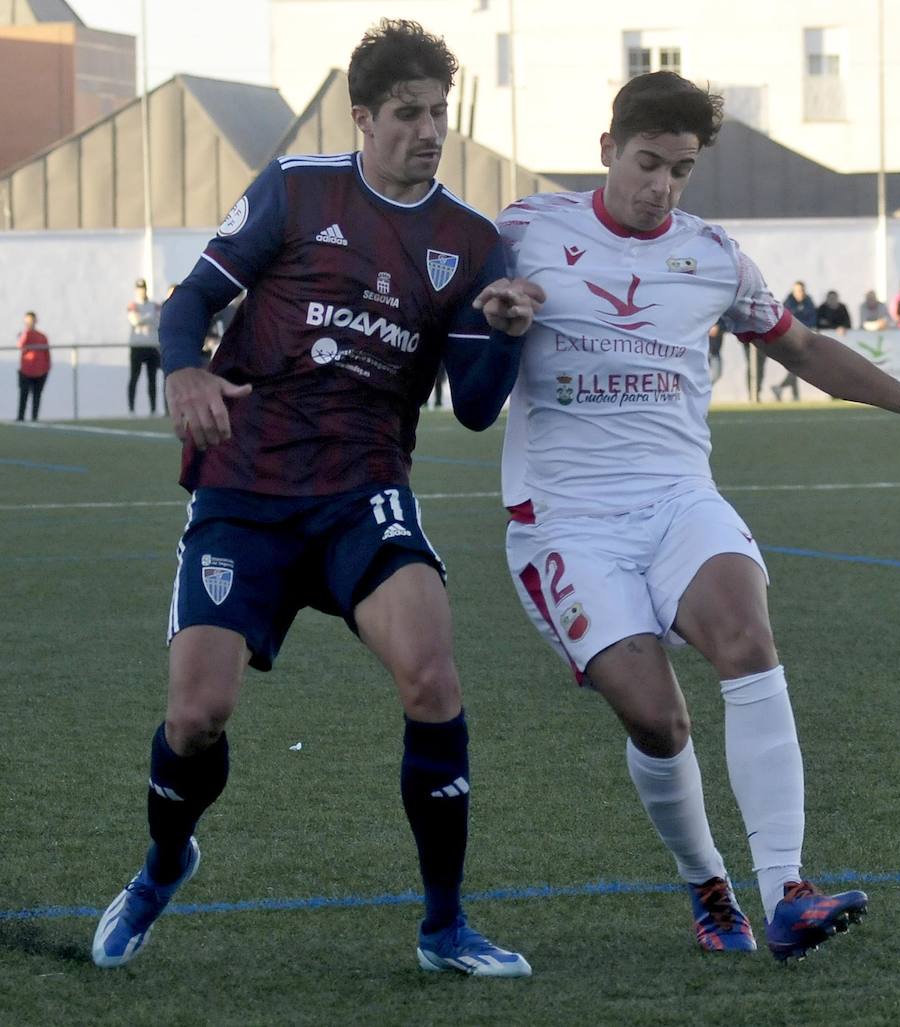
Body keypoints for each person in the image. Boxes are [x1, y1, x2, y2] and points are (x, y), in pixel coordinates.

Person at [490, 70, 900, 963]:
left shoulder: (712, 254)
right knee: (658, 720)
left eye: (680, 170)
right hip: (567, 523)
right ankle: (708, 882)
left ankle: (787, 889)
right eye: (648, 163)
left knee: (747, 638)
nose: (662, 187)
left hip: (681, 498)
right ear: (607, 150)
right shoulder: (523, 232)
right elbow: (448, 323)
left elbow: (801, 348)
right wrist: (494, 317)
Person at [91, 19, 540, 979]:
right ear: (365, 116)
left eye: (440, 114)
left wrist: (500, 330)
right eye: (410, 114)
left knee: (432, 676)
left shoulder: (470, 243)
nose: (430, 130)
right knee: (195, 715)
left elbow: (473, 408)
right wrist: (185, 374)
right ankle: (165, 864)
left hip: (361, 489)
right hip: (244, 488)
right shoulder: (298, 191)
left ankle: (445, 926)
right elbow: (187, 305)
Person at [773, 280, 816, 400]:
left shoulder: (809, 302)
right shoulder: (788, 304)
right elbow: (788, 320)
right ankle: (787, 391)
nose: (800, 293)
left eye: (802, 290)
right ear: (793, 291)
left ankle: (786, 391)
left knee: (796, 366)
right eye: (797, 291)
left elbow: (812, 318)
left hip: (804, 337)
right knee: (796, 365)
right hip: (790, 338)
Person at [127, 277, 162, 414]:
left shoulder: (154, 305)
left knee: (152, 378)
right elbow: (134, 321)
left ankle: (153, 409)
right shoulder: (133, 305)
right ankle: (131, 409)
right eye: (139, 289)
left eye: (143, 288)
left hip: (151, 346)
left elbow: (158, 320)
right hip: (137, 346)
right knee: (134, 377)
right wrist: (149, 317)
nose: (141, 291)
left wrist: (144, 318)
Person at [16, 310, 50, 421]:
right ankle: (20, 418)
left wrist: (46, 369)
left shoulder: (42, 336)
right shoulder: (25, 335)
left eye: (31, 320)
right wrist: (26, 333)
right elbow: (20, 345)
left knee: (37, 396)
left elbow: (47, 354)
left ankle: (34, 419)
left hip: (40, 373)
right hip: (26, 372)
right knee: (23, 395)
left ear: (35, 320)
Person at [706, 317, 726, 384]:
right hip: (704, 352)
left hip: (715, 352)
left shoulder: (721, 318)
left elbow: (728, 324)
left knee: (717, 375)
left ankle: (705, 391)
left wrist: (719, 327)